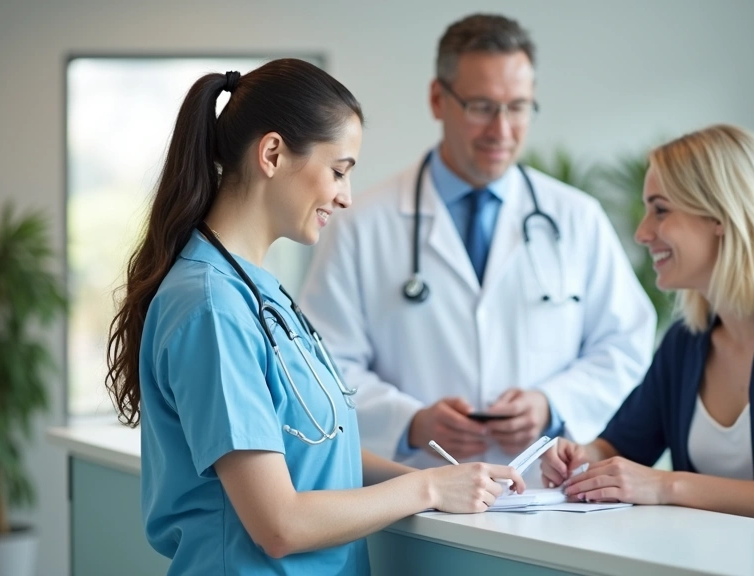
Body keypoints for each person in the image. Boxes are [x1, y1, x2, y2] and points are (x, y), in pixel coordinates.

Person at [104, 59, 525, 576]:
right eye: (339, 171)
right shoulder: (211, 306)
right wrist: (427, 486)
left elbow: (323, 451)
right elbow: (278, 524)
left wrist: (456, 479)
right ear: (273, 153)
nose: (346, 196)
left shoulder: (258, 291)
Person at [298, 14, 656, 475]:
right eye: (482, 107)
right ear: (437, 100)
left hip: (544, 494)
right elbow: (325, 363)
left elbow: (625, 343)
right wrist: (409, 421)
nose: (502, 131)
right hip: (416, 497)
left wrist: (552, 403)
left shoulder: (576, 217)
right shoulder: (361, 222)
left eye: (519, 107)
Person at [540, 124, 754, 536]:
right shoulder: (686, 342)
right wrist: (579, 457)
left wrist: (666, 485)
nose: (642, 233)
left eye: (660, 210)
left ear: (721, 216)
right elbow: (618, 447)